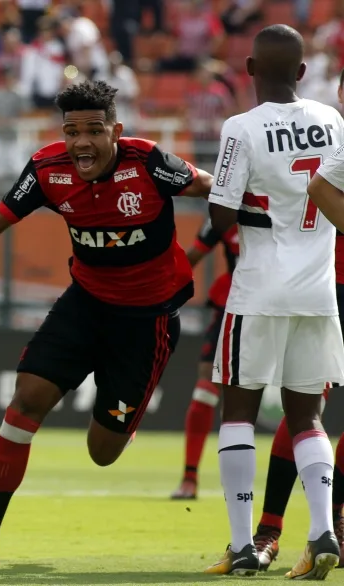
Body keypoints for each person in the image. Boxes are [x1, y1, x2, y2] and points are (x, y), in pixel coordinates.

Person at [0, 79, 214, 568]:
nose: (81, 142)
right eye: (71, 131)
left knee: (102, 452)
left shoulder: (146, 161)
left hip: (147, 320)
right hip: (85, 304)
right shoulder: (48, 169)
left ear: (115, 130)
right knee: (25, 401)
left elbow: (213, 188)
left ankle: (125, 413)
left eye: (93, 130)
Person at [203, 25, 344, 579]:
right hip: (318, 290)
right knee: (307, 416)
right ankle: (323, 530)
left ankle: (242, 544)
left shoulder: (241, 127)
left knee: (238, 411)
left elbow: (220, 215)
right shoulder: (334, 122)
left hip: (258, 287)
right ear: (303, 73)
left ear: (250, 69)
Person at [171, 218, 238, 500]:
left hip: (286, 307)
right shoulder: (224, 212)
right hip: (234, 305)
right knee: (207, 384)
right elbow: (193, 256)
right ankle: (189, 477)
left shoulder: (293, 202)